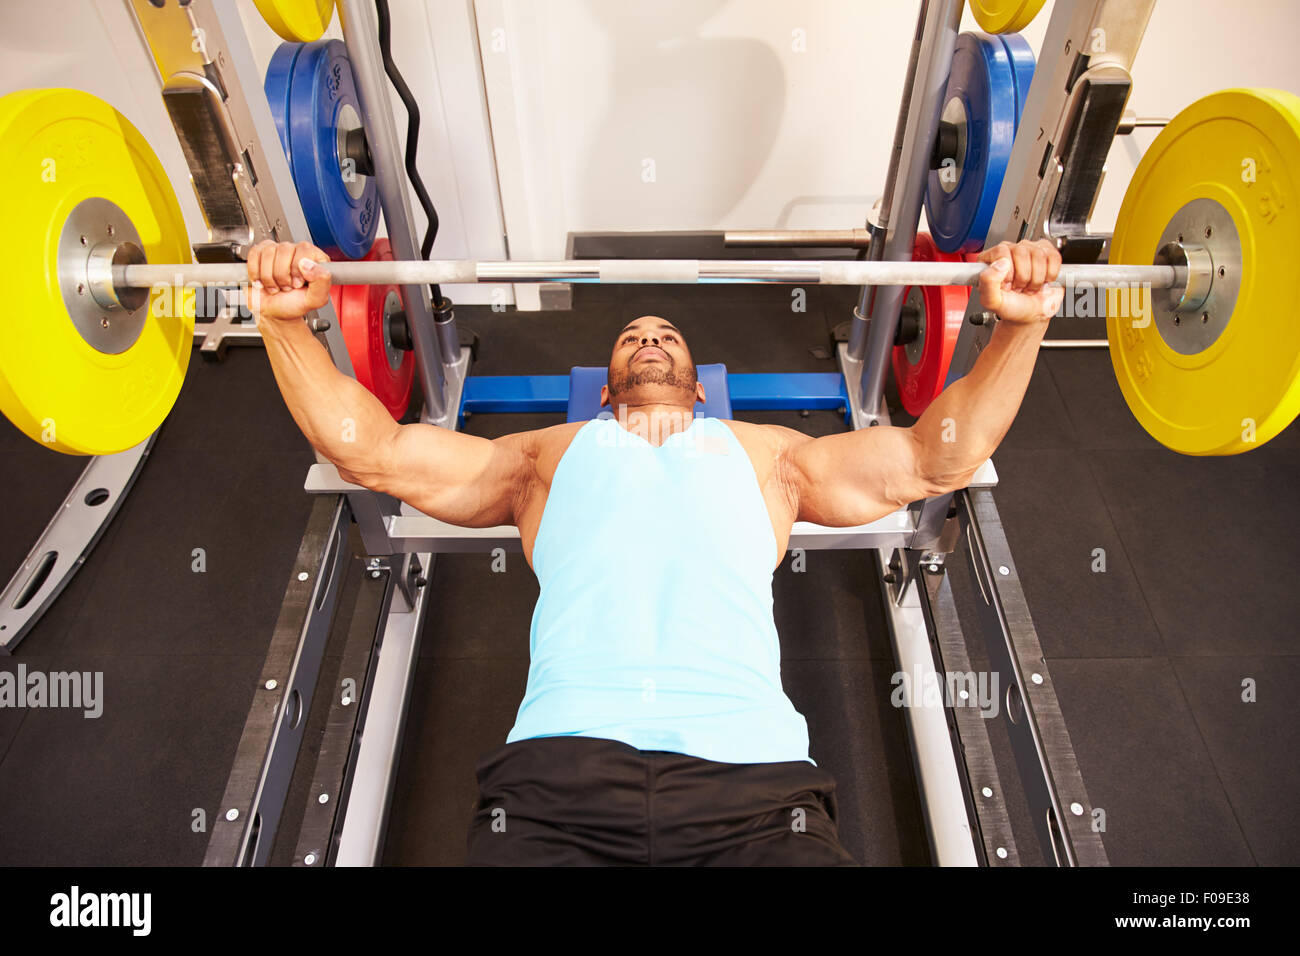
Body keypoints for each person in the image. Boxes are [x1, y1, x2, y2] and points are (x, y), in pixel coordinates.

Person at [247, 237, 1063, 866]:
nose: (647, 340)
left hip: (754, 786)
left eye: (665, 334)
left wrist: (1018, 330)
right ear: (604, 387)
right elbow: (376, 453)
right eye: (631, 336)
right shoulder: (542, 457)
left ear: (699, 381)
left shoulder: (772, 456)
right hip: (557, 779)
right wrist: (285, 324)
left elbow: (932, 459)